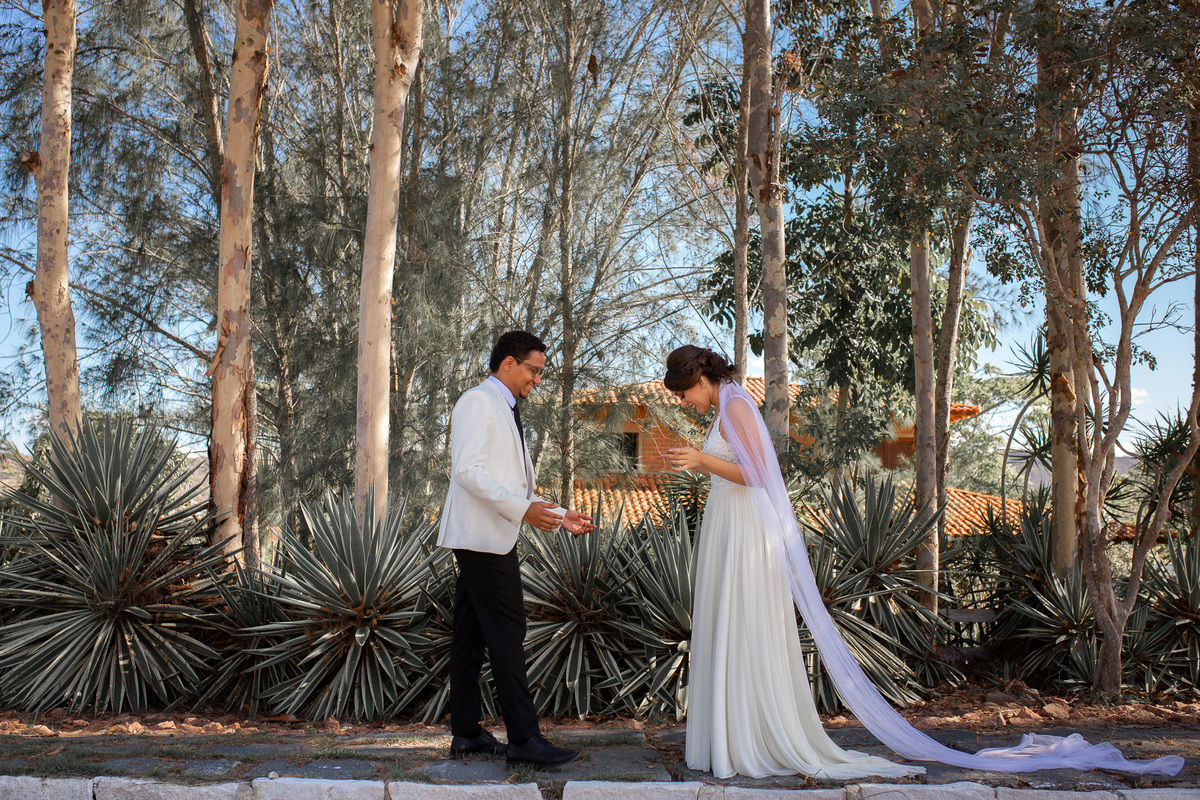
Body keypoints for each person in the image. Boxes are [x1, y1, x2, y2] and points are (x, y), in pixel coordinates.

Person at [661, 344, 1182, 780]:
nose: (684, 402)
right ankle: (738, 730)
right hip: (733, 527)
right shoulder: (727, 402)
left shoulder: (733, 406)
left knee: (745, 623)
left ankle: (750, 735)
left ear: (700, 378)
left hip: (746, 532)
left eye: (683, 392)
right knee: (735, 625)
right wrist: (706, 462)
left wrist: (700, 460)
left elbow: (756, 475)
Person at [438, 330, 595, 767]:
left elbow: (510, 483)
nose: (538, 380)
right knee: (508, 634)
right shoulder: (478, 402)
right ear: (508, 363)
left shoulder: (502, 407)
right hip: (483, 540)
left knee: (470, 639)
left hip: (486, 537)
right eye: (534, 370)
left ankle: (467, 734)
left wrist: (558, 513)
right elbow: (467, 472)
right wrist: (525, 511)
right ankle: (524, 739)